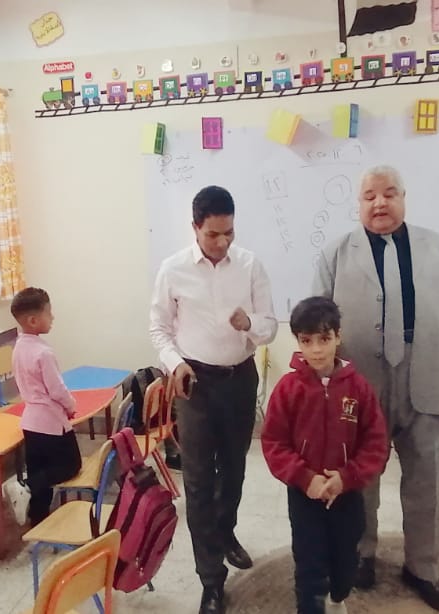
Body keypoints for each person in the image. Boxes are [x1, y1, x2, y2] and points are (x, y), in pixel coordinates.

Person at [313, 165, 439, 612]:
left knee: (429, 479)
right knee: (358, 476)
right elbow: (315, 324)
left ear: (404, 198)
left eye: (389, 193)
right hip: (359, 382)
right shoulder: (335, 254)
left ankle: (423, 567)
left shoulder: (438, 247)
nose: (380, 203)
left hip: (426, 373)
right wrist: (319, 384)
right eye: (369, 196)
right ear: (359, 203)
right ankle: (361, 554)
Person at [150, 185, 278, 614]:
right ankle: (210, 578)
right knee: (199, 480)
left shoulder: (250, 265)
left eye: (229, 233)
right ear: (195, 228)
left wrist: (250, 324)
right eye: (213, 234)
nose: (222, 242)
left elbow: (269, 327)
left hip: (240, 380)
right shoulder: (173, 269)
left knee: (235, 470)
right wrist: (175, 364)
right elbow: (159, 328)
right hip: (195, 384)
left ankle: (226, 533)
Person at [261, 297, 389, 614]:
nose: (316, 350)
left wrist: (346, 477)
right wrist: (306, 479)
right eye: (307, 341)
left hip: (347, 494)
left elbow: (376, 442)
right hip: (304, 495)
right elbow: (274, 443)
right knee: (309, 562)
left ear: (338, 337)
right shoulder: (287, 389)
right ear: (298, 341)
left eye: (324, 339)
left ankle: (338, 596)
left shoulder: (359, 388)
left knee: (345, 561)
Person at [10, 286, 82, 526]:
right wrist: (71, 406)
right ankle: (25, 486)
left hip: (31, 422)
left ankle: (38, 521)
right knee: (70, 466)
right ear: (33, 320)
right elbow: (57, 390)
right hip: (51, 423)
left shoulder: (19, 348)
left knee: (40, 471)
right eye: (48, 313)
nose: (53, 317)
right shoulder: (43, 352)